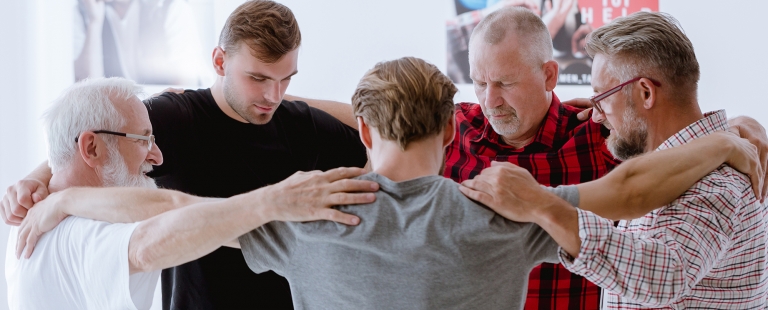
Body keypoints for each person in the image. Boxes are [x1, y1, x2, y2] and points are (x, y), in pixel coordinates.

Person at [10, 58, 763, 310]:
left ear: (364, 133)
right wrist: (725, 137)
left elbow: (171, 208)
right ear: (453, 128)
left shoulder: (307, 213)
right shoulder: (501, 210)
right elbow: (631, 193)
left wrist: (69, 193)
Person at [299, 7, 768, 309]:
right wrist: (280, 100)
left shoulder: (597, 133)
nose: (489, 99)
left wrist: (732, 133)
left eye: (503, 83)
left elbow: (660, 153)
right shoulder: (452, 129)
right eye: (479, 82)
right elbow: (375, 116)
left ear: (548, 76)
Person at [6, 1, 367, 309]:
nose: (272, 94)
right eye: (257, 78)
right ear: (220, 61)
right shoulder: (176, 116)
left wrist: (287, 99)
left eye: (285, 79)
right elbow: (94, 137)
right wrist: (39, 180)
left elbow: (380, 130)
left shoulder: (299, 124)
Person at [461, 12, 768, 309]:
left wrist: (541, 204)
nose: (594, 115)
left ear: (645, 93)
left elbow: (664, 275)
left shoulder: (716, 181)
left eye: (601, 96)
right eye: (481, 83)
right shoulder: (708, 155)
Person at [75, 0, 206, 85]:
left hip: (162, 118)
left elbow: (185, 88)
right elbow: (86, 89)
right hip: (113, 121)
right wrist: (94, 22)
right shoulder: (83, 12)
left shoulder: (173, 8)